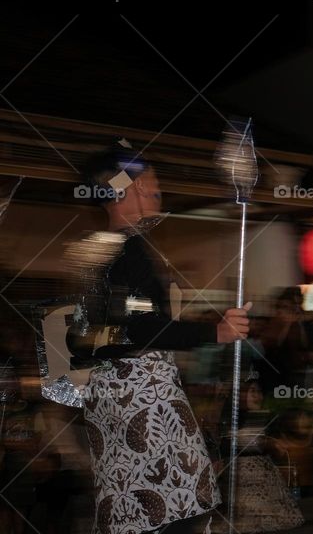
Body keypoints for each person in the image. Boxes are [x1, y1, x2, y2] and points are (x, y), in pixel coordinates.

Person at [67, 142, 252, 534]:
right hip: (142, 396)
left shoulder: (95, 253)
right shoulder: (131, 249)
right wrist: (214, 331)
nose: (156, 189)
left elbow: (95, 331)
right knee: (181, 502)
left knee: (135, 510)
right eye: (150, 180)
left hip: (107, 396)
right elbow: (142, 326)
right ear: (130, 186)